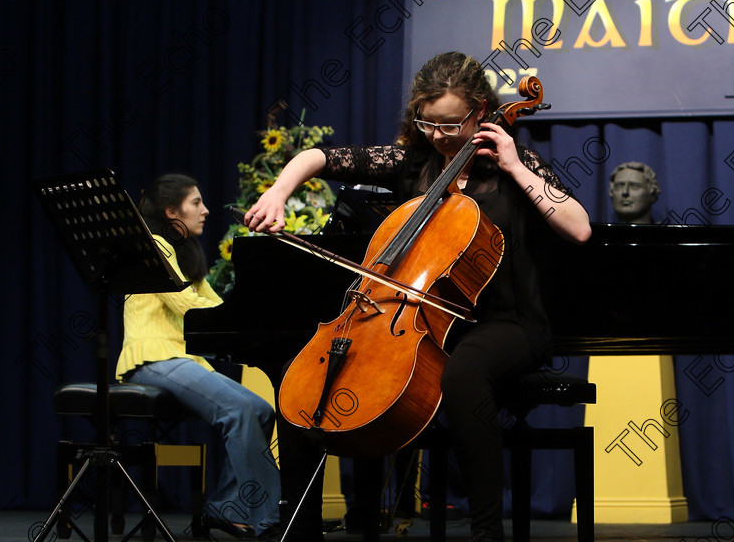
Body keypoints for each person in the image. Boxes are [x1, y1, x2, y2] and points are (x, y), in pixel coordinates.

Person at [245, 51, 591, 542]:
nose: (440, 136)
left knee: (465, 372)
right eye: (428, 123)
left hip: (506, 323)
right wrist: (278, 192)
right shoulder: (414, 164)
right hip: (419, 319)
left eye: (452, 124)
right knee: (309, 377)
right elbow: (319, 157)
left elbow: (578, 228)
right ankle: (300, 528)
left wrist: (516, 166)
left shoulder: (516, 165)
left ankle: (487, 531)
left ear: (481, 111)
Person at [116, 174, 282, 541]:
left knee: (262, 409)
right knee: (239, 410)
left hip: (179, 361)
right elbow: (186, 303)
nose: (205, 210)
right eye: (196, 203)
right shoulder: (154, 246)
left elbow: (216, 306)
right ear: (171, 211)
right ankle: (267, 517)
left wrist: (250, 317)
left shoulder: (186, 252)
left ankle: (226, 509)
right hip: (152, 359)